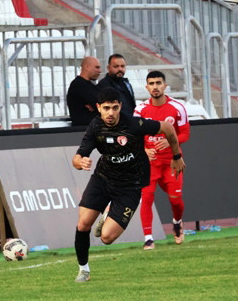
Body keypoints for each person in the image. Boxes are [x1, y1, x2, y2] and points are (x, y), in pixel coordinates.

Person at [71, 87, 185, 282]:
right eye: (106, 108)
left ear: (120, 106)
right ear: (98, 108)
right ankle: (84, 270)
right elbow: (77, 157)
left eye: (115, 108)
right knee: (83, 224)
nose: (111, 113)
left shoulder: (134, 124)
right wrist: (80, 162)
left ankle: (108, 213)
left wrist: (177, 156)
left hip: (130, 186)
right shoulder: (96, 127)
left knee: (107, 238)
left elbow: (167, 128)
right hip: (103, 179)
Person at [133, 71, 190, 249]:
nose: (155, 87)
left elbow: (185, 133)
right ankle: (148, 238)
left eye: (158, 83)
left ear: (165, 86)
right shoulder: (140, 110)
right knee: (147, 197)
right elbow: (134, 135)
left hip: (171, 161)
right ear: (147, 87)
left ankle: (177, 222)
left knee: (176, 199)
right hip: (149, 163)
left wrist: (171, 140)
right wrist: (144, 149)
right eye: (151, 83)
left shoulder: (177, 107)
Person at [66, 56, 101, 126]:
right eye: (97, 67)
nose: (100, 71)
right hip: (82, 128)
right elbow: (99, 105)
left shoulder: (90, 85)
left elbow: (101, 104)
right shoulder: (78, 84)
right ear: (87, 67)